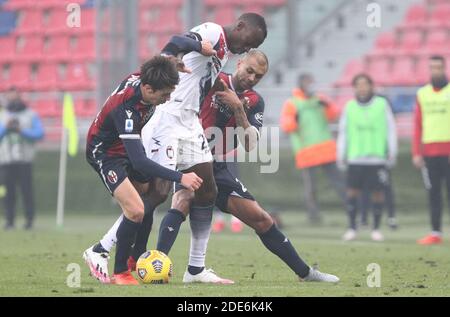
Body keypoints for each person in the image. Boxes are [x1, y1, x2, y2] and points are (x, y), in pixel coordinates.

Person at [84, 13, 268, 284]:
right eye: (248, 42)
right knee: (157, 193)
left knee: (207, 190)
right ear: (240, 27)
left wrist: (211, 81)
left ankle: (195, 269)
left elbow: (199, 75)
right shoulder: (213, 32)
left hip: (189, 121)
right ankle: (100, 249)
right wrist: (173, 56)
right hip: (168, 118)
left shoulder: (227, 51)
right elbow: (175, 42)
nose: (246, 48)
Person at [83, 56, 204, 285]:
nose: (167, 99)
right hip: (105, 154)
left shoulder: (144, 78)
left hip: (124, 148)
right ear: (148, 89)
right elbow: (139, 162)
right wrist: (181, 177)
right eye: (164, 95)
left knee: (149, 196)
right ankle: (114, 267)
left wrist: (170, 65)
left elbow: (152, 63)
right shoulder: (127, 109)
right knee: (136, 209)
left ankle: (135, 257)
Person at [337, 74, 397, 242]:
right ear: (354, 88)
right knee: (352, 193)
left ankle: (376, 229)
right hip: (355, 158)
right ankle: (351, 228)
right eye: (358, 85)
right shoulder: (349, 107)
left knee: (378, 193)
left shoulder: (382, 104)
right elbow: (343, 132)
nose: (362, 88)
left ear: (371, 86)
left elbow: (391, 129)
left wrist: (392, 151)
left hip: (377, 158)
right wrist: (341, 154)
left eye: (365, 84)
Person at [280, 73, 346, 224]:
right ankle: (313, 215)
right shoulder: (292, 103)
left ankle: (351, 208)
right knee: (311, 188)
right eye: (307, 82)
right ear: (301, 84)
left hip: (325, 148)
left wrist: (327, 105)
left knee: (339, 182)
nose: (311, 85)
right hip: (307, 151)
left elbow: (334, 115)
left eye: (312, 82)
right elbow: (287, 126)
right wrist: (295, 119)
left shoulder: (320, 99)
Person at [413, 55, 450, 245]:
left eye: (438, 67)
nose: (435, 71)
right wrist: (416, 152)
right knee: (434, 194)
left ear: (444, 68)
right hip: (430, 154)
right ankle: (435, 233)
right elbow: (418, 125)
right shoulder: (422, 94)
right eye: (432, 67)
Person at [0, 88, 44, 230]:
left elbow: (39, 133)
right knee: (8, 193)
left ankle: (29, 221)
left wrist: (21, 130)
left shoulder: (31, 115)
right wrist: (5, 128)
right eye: (11, 97)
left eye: (16, 97)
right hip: (6, 161)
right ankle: (9, 221)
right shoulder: (2, 115)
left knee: (27, 192)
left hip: (25, 160)